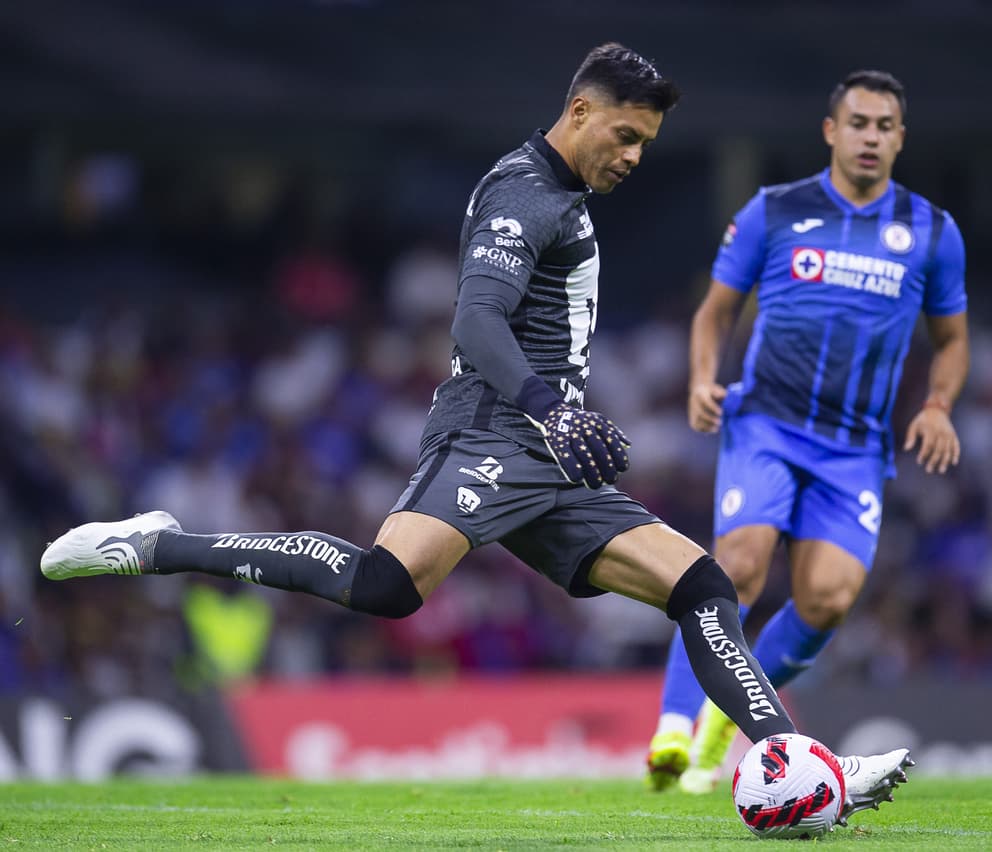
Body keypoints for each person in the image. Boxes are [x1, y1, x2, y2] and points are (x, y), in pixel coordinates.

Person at [40, 44, 912, 818]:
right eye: (625, 136)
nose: (636, 157)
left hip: (553, 454)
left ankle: (794, 760)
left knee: (704, 589)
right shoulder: (523, 192)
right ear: (580, 112)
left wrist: (556, 416)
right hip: (498, 430)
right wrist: (548, 405)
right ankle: (159, 546)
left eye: (645, 142)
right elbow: (475, 322)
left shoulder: (565, 195)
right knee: (386, 585)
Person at [646, 69, 968, 794]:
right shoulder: (775, 211)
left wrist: (939, 405)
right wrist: (702, 379)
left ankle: (730, 716)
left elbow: (951, 340)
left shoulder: (931, 232)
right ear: (831, 130)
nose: (870, 137)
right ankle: (673, 724)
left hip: (856, 447)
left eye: (885, 126)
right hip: (767, 423)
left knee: (826, 600)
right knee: (740, 565)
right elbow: (714, 311)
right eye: (858, 123)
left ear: (900, 139)